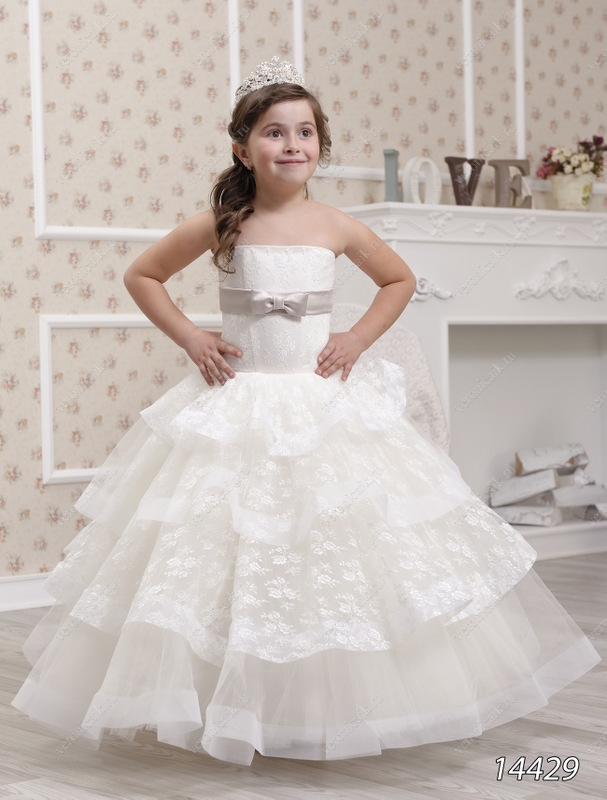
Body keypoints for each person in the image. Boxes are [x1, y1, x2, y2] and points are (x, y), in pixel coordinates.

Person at [12, 57, 601, 767]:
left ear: (320, 144)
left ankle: (332, 705)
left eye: (304, 133)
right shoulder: (223, 223)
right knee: (230, 550)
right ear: (242, 149)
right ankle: (232, 702)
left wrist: (355, 338)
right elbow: (142, 274)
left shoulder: (336, 225)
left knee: (331, 552)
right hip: (241, 403)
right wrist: (193, 337)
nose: (292, 145)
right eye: (274, 132)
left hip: (321, 406)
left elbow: (398, 279)